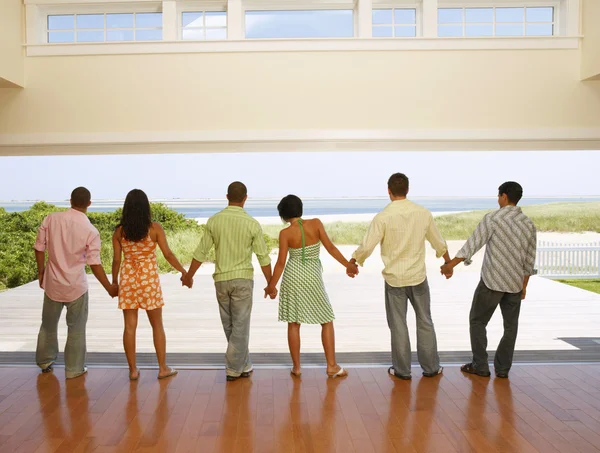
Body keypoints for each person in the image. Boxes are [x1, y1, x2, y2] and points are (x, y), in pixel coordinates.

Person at [351, 173, 450, 380]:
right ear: (408, 189)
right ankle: (431, 368)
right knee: (425, 321)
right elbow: (438, 242)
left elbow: (367, 245)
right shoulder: (423, 213)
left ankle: (402, 371)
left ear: (388, 191)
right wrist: (447, 263)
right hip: (418, 278)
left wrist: (354, 262)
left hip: (394, 280)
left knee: (398, 325)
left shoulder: (382, 217)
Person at [441, 181, 537, 379]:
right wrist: (524, 285)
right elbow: (529, 258)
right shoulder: (528, 224)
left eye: (498, 195)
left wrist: (451, 265)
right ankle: (502, 370)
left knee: (477, 321)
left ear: (503, 196)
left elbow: (473, 244)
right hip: (514, 284)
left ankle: (480, 365)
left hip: (492, 282)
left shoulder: (493, 218)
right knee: (510, 328)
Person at [181, 182, 272, 381]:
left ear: (227, 196)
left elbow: (201, 252)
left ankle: (244, 365)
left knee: (230, 325)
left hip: (221, 280)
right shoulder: (252, 223)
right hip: (243, 280)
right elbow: (263, 256)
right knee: (240, 325)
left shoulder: (214, 221)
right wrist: (271, 283)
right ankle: (233, 369)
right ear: (245, 198)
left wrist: (189, 276)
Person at [264, 195, 358, 378]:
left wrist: (271, 286)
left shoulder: (285, 234)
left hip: (293, 277)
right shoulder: (315, 224)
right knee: (326, 319)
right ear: (300, 209)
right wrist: (348, 265)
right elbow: (331, 248)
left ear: (283, 215)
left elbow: (281, 263)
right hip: (312, 278)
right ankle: (331, 365)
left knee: (293, 322)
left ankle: (297, 367)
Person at [34, 187, 118, 379]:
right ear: (89, 204)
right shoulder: (91, 230)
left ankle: (45, 361)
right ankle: (74, 370)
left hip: (53, 283)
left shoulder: (51, 219)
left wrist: (41, 272)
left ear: (70, 200)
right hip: (76, 287)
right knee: (77, 329)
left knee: (48, 325)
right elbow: (94, 263)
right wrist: (109, 288)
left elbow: (39, 248)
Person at [112, 189, 184, 380]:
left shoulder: (119, 231)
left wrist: (114, 282)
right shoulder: (154, 228)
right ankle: (162, 368)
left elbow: (116, 261)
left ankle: (133, 370)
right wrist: (184, 272)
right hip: (149, 280)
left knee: (129, 327)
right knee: (157, 325)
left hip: (128, 279)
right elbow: (168, 254)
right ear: (146, 207)